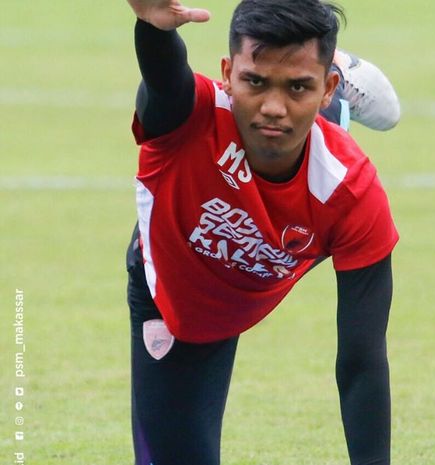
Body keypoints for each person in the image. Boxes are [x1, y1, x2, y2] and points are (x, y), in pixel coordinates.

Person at [124, 1, 400, 464]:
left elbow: (361, 362)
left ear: (327, 86)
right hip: (176, 281)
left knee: (326, 129)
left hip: (292, 215)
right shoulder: (185, 115)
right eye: (254, 80)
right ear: (228, 74)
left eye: (299, 85)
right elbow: (164, 78)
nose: (273, 107)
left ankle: (328, 88)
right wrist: (153, 31)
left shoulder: (351, 192)